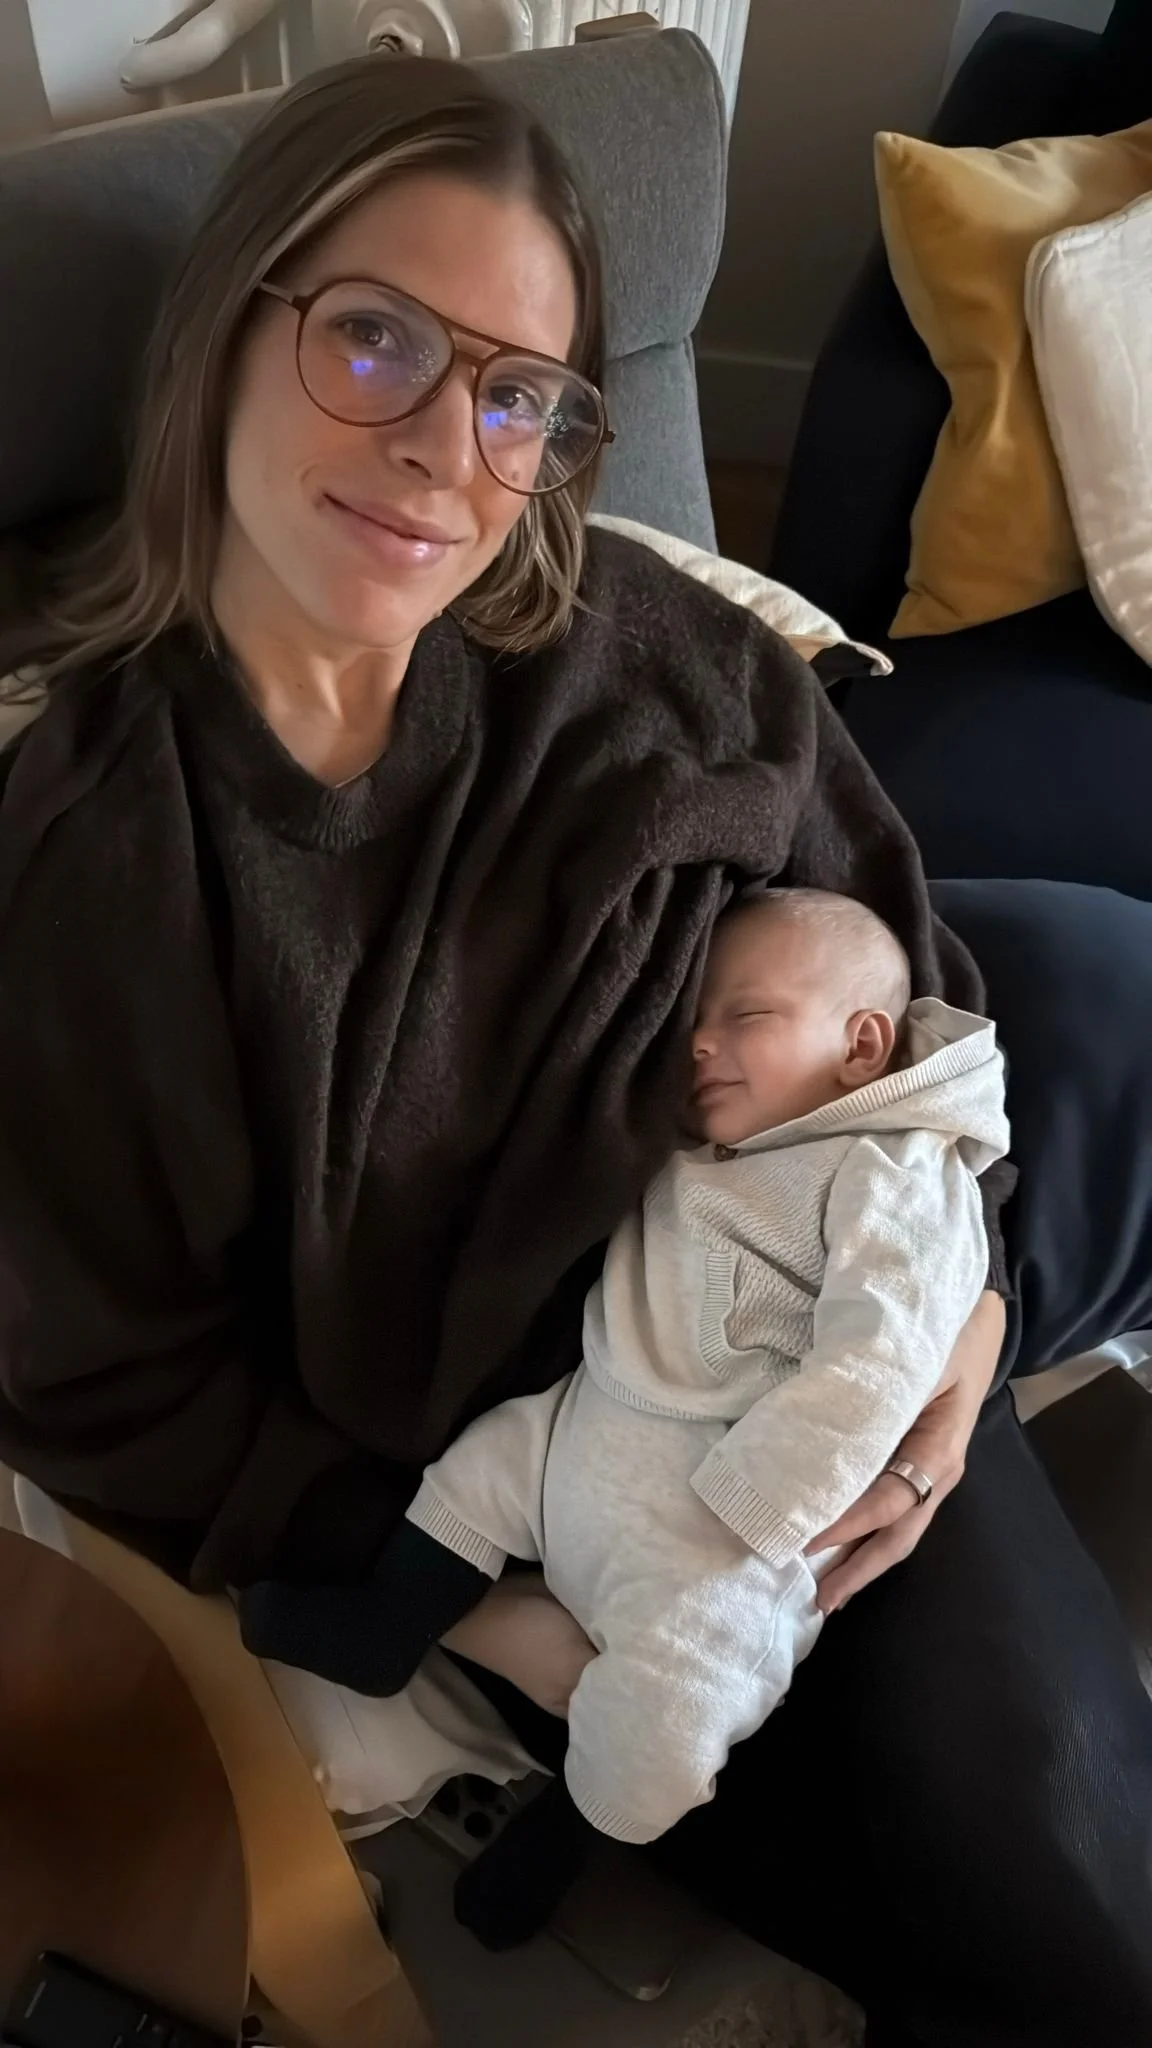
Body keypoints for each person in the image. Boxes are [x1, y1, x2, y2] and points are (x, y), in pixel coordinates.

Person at [0, 53, 1148, 2048]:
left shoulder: (639, 646)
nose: (443, 448)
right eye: (376, 339)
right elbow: (112, 1383)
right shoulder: (104, 859)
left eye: (515, 394)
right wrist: (489, 1610)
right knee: (1058, 1905)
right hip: (639, 1481)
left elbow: (907, 959)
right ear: (229, 328)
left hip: (865, 1246)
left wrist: (961, 1322)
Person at [242, 887, 1010, 1951]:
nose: (701, 1042)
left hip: (722, 1519)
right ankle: (384, 1626)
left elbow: (880, 1356)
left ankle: (568, 1833)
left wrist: (758, 1504)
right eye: (697, 1019)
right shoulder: (715, 1147)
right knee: (480, 1469)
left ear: (861, 1045)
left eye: (746, 1015)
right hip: (590, 1418)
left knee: (671, 1714)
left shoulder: (898, 1172)